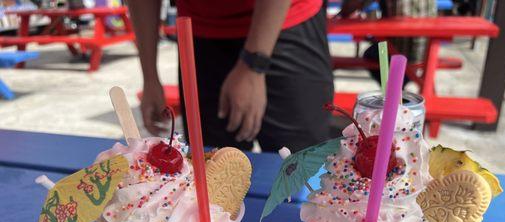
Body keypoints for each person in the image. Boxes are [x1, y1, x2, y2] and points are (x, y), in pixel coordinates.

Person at [128, 0, 334, 153]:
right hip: (200, 32)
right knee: (211, 168)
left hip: (286, 20)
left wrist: (254, 64)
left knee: (300, 168)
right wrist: (150, 77)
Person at [340, 0, 437, 85]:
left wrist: (344, 12)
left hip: (397, 53)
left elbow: (350, 6)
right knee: (381, 48)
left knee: (371, 54)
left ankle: (393, 95)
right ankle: (399, 94)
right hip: (426, 51)